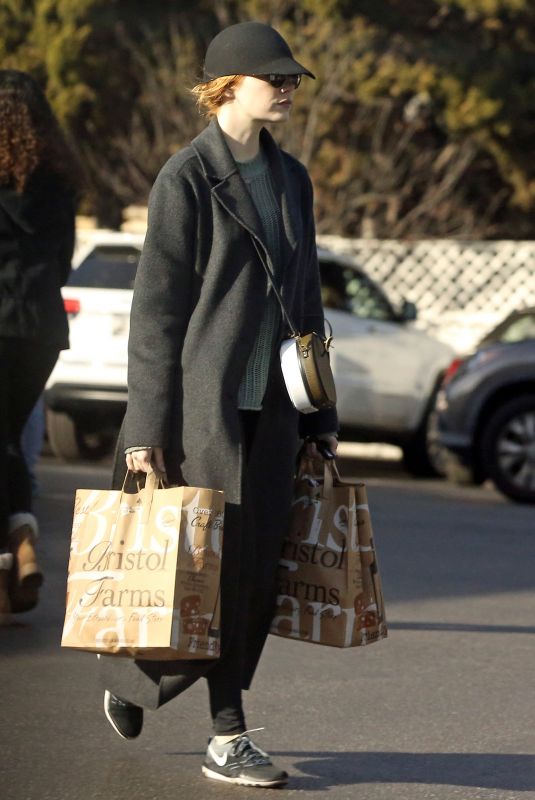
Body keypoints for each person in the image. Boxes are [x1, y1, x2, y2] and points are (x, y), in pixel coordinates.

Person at [100, 21, 338, 789]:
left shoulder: (292, 178)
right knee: (212, 572)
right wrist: (145, 431)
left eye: (293, 77)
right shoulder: (186, 178)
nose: (288, 87)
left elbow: (307, 299)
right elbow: (158, 313)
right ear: (227, 84)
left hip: (274, 407)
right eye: (275, 76)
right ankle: (228, 734)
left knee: (255, 576)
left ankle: (144, 681)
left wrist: (320, 416)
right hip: (204, 410)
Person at [0, 70, 77, 619]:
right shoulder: (60, 179)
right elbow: (65, 262)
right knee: (6, 436)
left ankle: (19, 546)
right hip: (41, 329)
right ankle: (21, 540)